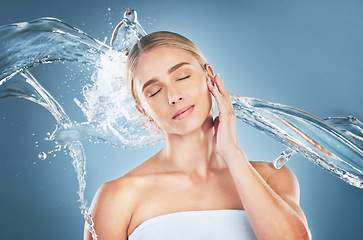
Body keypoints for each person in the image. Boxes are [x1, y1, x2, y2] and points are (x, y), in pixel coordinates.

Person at [84, 31, 311, 240]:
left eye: (182, 77)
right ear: (143, 111)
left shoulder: (272, 179)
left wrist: (232, 153)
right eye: (154, 91)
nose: (173, 96)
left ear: (209, 77)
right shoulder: (117, 197)